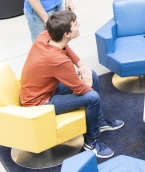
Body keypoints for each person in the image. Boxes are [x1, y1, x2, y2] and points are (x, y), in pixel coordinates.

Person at [20, 10, 123, 158]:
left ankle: (98, 121)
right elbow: (81, 90)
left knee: (92, 75)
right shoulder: (59, 61)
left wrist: (80, 64)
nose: (79, 24)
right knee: (92, 97)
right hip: (39, 102)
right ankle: (91, 141)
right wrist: (86, 83)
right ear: (66, 34)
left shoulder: (46, 36)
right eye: (75, 24)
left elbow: (65, 47)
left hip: (44, 89)